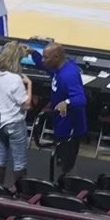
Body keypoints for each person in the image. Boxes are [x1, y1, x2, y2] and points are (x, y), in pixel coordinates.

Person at [0, 40, 33, 187]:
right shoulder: (15, 79)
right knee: (19, 161)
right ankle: (20, 194)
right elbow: (27, 104)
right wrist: (29, 85)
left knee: (0, 157)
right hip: (13, 123)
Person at [44, 43, 87, 178]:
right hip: (61, 122)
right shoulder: (59, 67)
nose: (43, 60)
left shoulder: (69, 75)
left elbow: (81, 99)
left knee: (68, 164)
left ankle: (69, 192)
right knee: (62, 159)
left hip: (70, 127)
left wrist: (67, 102)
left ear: (56, 57)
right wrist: (33, 53)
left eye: (45, 57)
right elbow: (47, 69)